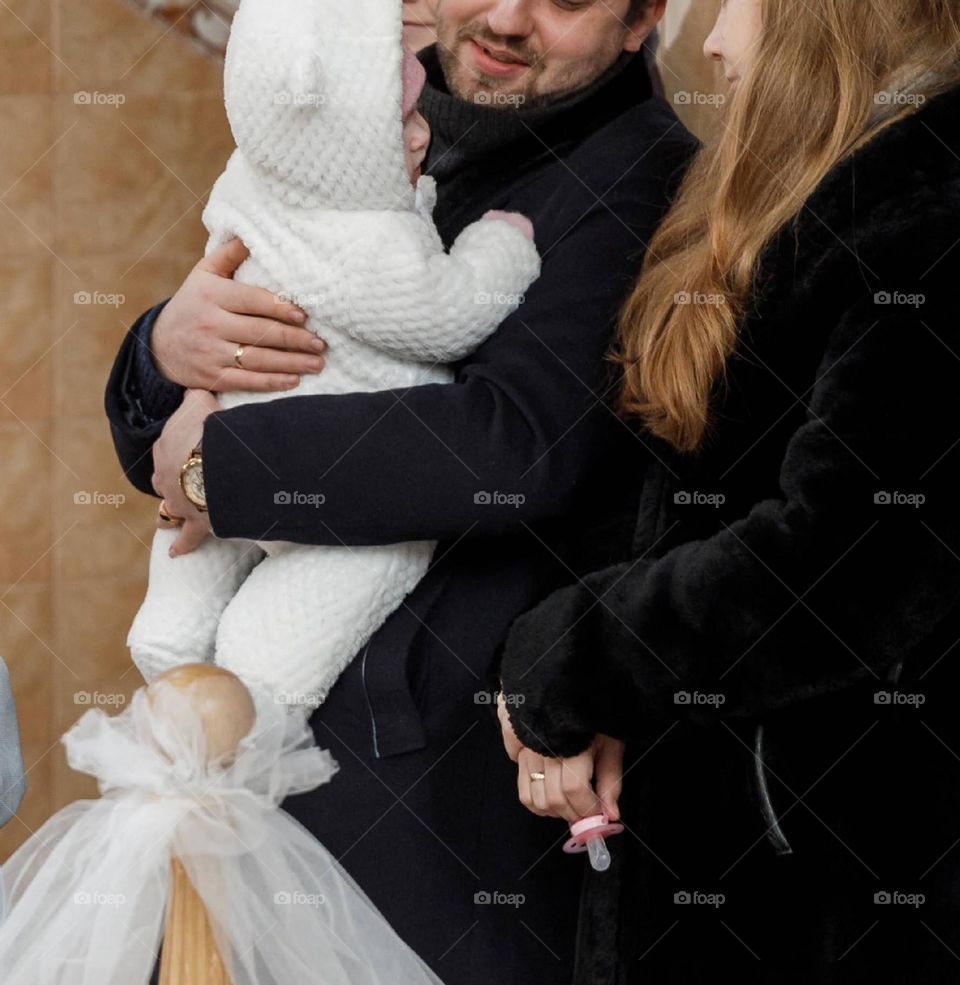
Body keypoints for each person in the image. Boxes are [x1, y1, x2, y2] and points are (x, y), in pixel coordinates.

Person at [105, 0, 696, 980]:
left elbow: (519, 443)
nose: (508, 18)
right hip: (284, 753)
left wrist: (225, 465)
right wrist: (167, 348)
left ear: (643, 23)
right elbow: (191, 434)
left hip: (443, 794)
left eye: (565, 1)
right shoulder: (380, 117)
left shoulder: (640, 176)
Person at [496, 0, 960, 981]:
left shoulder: (927, 206)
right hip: (718, 866)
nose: (709, 43)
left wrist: (565, 658)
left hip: (831, 901)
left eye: (735, 1)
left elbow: (843, 565)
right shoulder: (824, 192)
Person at [127, 0, 539, 710]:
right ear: (343, 140)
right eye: (399, 125)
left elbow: (507, 445)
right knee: (279, 646)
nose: (421, 139)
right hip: (295, 504)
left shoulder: (247, 182)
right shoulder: (377, 240)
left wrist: (210, 451)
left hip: (244, 464)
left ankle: (170, 640)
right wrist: (500, 244)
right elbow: (454, 312)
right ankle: (257, 684)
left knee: (187, 572)